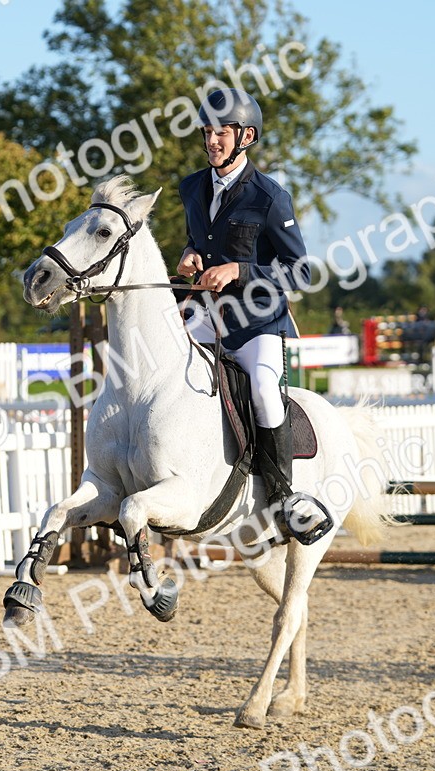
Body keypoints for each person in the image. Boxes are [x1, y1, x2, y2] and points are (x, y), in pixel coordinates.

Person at [174, 87, 329, 546]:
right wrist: (189, 256)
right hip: (208, 314)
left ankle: (284, 501)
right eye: (207, 132)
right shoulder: (191, 187)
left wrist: (239, 271)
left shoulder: (270, 197)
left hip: (257, 322)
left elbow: (300, 271)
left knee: (263, 388)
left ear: (246, 136)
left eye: (221, 132)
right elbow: (200, 240)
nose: (211, 141)